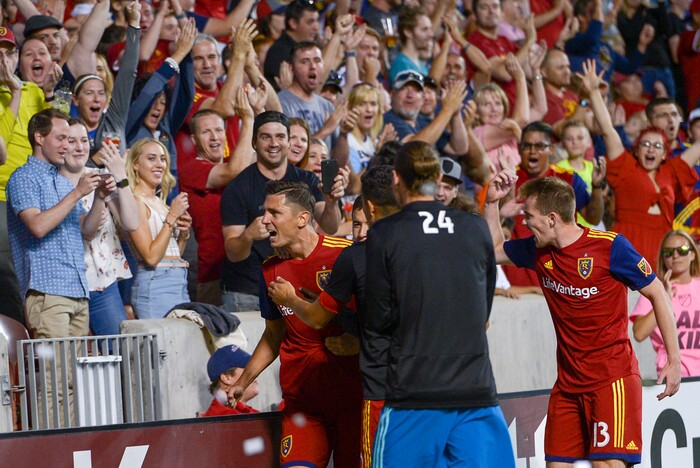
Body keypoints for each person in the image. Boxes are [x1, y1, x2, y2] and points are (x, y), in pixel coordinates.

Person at [484, 172, 681, 465]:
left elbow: (658, 294)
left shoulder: (610, 246)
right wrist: (490, 203)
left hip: (611, 379)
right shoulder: (539, 250)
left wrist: (673, 360)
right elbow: (493, 251)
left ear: (552, 218)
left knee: (606, 464)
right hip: (567, 384)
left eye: (530, 216)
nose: (525, 223)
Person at [364, 141, 515, 467]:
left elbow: (377, 318)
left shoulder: (384, 234)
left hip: (414, 396)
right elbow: (482, 308)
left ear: (396, 179)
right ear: (436, 178)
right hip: (477, 395)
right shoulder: (475, 228)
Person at [266, 165, 400, 468]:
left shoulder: (351, 256)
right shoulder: (422, 249)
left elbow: (316, 317)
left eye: (365, 223)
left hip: (377, 392)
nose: (361, 233)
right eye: (355, 225)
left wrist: (291, 299)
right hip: (423, 388)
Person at [227, 180, 362, 468]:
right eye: (265, 212)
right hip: (303, 406)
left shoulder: (345, 254)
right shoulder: (269, 270)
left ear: (302, 218)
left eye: (274, 213)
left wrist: (360, 342)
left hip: (354, 401)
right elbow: (274, 334)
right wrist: (243, 381)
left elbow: (380, 320)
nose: (264, 220)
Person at [219, 111, 346, 313]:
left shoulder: (308, 180)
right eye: (265, 137)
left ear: (288, 142)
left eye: (280, 137)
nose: (273, 143)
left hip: (295, 287)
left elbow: (330, 226)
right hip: (246, 293)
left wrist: (331, 203)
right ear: (254, 143)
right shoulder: (238, 187)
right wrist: (249, 235)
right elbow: (233, 253)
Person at [581, 60, 700, 267]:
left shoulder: (672, 170)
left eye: (657, 146)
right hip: (626, 248)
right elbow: (608, 130)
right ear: (636, 148)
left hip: (662, 253)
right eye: (645, 144)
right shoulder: (625, 165)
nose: (651, 149)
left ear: (665, 154)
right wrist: (593, 93)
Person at [59, 121, 139, 336]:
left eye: (84, 141)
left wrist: (121, 176)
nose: (79, 147)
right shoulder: (52, 182)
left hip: (104, 286)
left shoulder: (101, 175)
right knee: (72, 360)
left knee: (121, 351)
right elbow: (86, 232)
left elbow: (131, 223)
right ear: (60, 145)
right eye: (71, 141)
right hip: (67, 288)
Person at [178, 91, 257, 306]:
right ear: (194, 139)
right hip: (209, 277)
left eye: (219, 130)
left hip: (241, 275)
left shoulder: (234, 162)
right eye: (206, 132)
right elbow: (234, 170)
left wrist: (258, 110)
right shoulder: (191, 169)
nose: (215, 137)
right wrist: (248, 119)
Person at [124, 138, 191, 319]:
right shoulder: (135, 201)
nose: (159, 164)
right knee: (162, 346)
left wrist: (183, 235)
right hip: (155, 283)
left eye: (162, 159)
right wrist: (172, 217)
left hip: (178, 280)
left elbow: (172, 253)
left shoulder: (162, 204)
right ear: (136, 164)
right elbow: (151, 257)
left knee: (181, 345)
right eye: (151, 158)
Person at [631, 230, 700, 377]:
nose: (675, 256)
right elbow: (639, 333)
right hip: (673, 377)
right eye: (668, 252)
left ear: (693, 254)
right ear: (663, 257)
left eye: (682, 250)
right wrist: (664, 298)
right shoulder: (654, 290)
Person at [200, 344, 259, 417]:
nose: (254, 372)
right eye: (246, 367)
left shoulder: (244, 413)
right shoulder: (224, 419)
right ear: (226, 378)